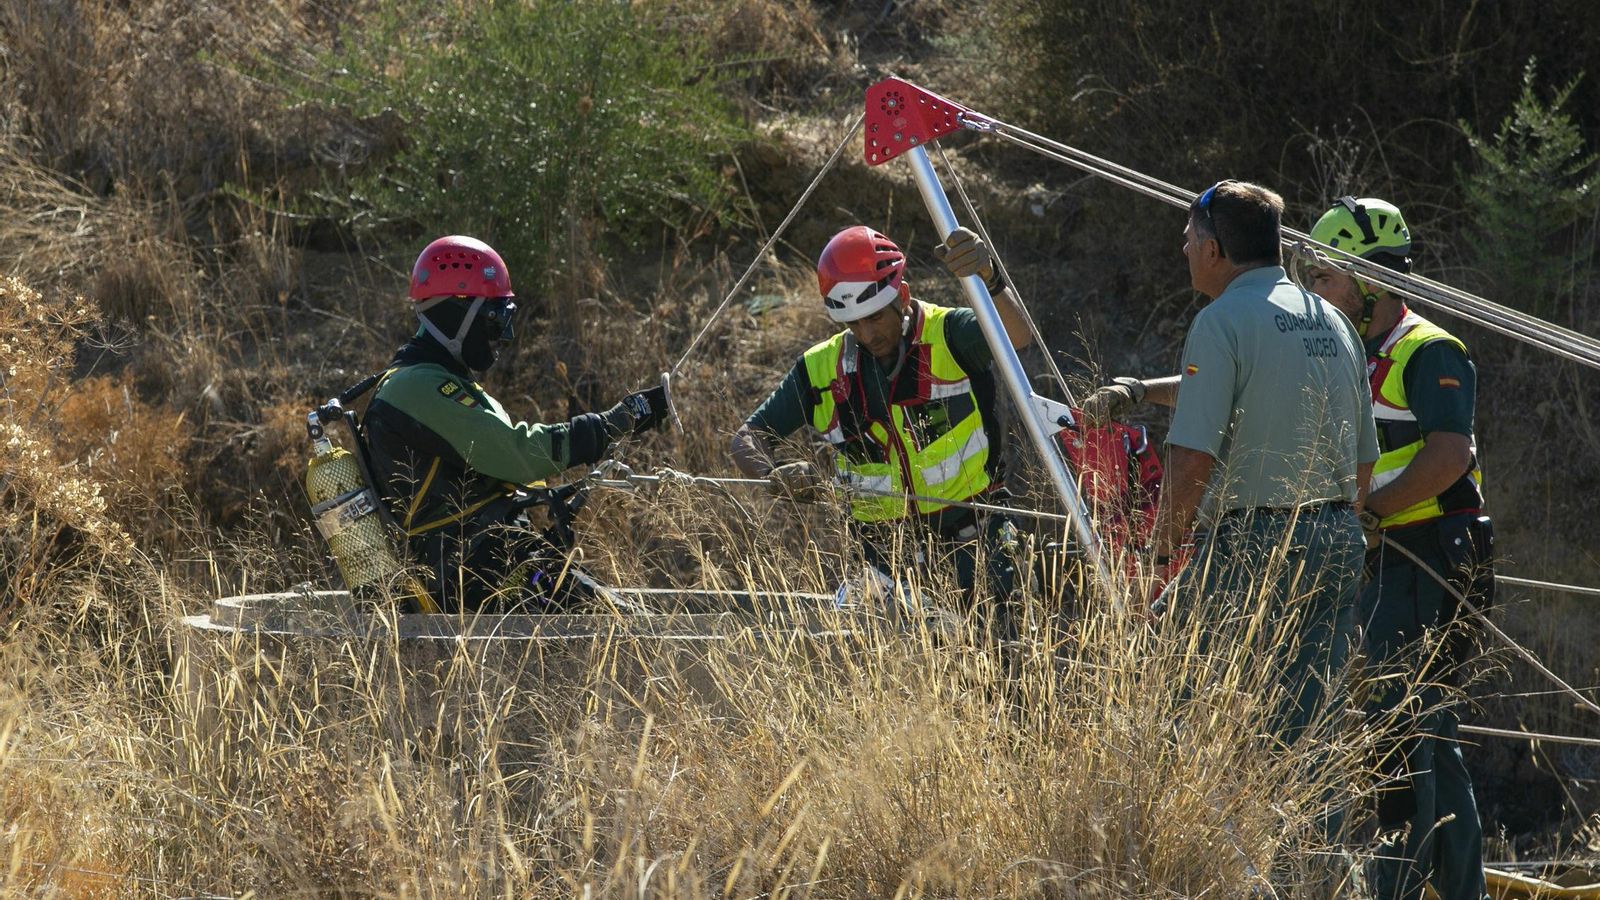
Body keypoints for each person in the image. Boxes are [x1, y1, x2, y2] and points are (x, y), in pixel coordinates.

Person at [1088, 181, 1378, 749]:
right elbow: (1363, 455)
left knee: (1162, 683)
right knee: (1308, 722)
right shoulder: (1332, 321)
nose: (1185, 251)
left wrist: (1162, 551)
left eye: (1190, 239)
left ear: (1215, 250)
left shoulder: (1219, 323)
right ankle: (1315, 838)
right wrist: (1142, 390)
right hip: (1340, 535)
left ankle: (1175, 831)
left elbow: (1194, 453)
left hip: (1255, 541)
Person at [1306, 197, 1491, 900]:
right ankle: (1456, 889)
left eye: (1325, 277)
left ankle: (1397, 885)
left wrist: (1371, 511)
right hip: (1391, 550)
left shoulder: (1428, 349)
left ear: (1368, 283)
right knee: (1429, 740)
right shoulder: (1358, 353)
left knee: (1401, 732)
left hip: (1431, 554)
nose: (1315, 291)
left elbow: (1449, 455)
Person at [729, 224, 1029, 631]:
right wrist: (773, 474)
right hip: (885, 563)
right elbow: (747, 438)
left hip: (975, 545)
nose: (867, 335)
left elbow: (1018, 335)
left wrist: (990, 278)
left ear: (901, 297)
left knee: (1002, 662)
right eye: (853, 325)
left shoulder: (949, 334)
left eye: (874, 319)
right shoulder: (821, 369)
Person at [361, 235, 671, 612]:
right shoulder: (416, 387)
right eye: (496, 320)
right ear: (457, 312)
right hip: (474, 574)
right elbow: (515, 453)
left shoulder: (433, 382)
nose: (504, 336)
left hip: (492, 563)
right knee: (631, 632)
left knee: (629, 624)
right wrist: (614, 423)